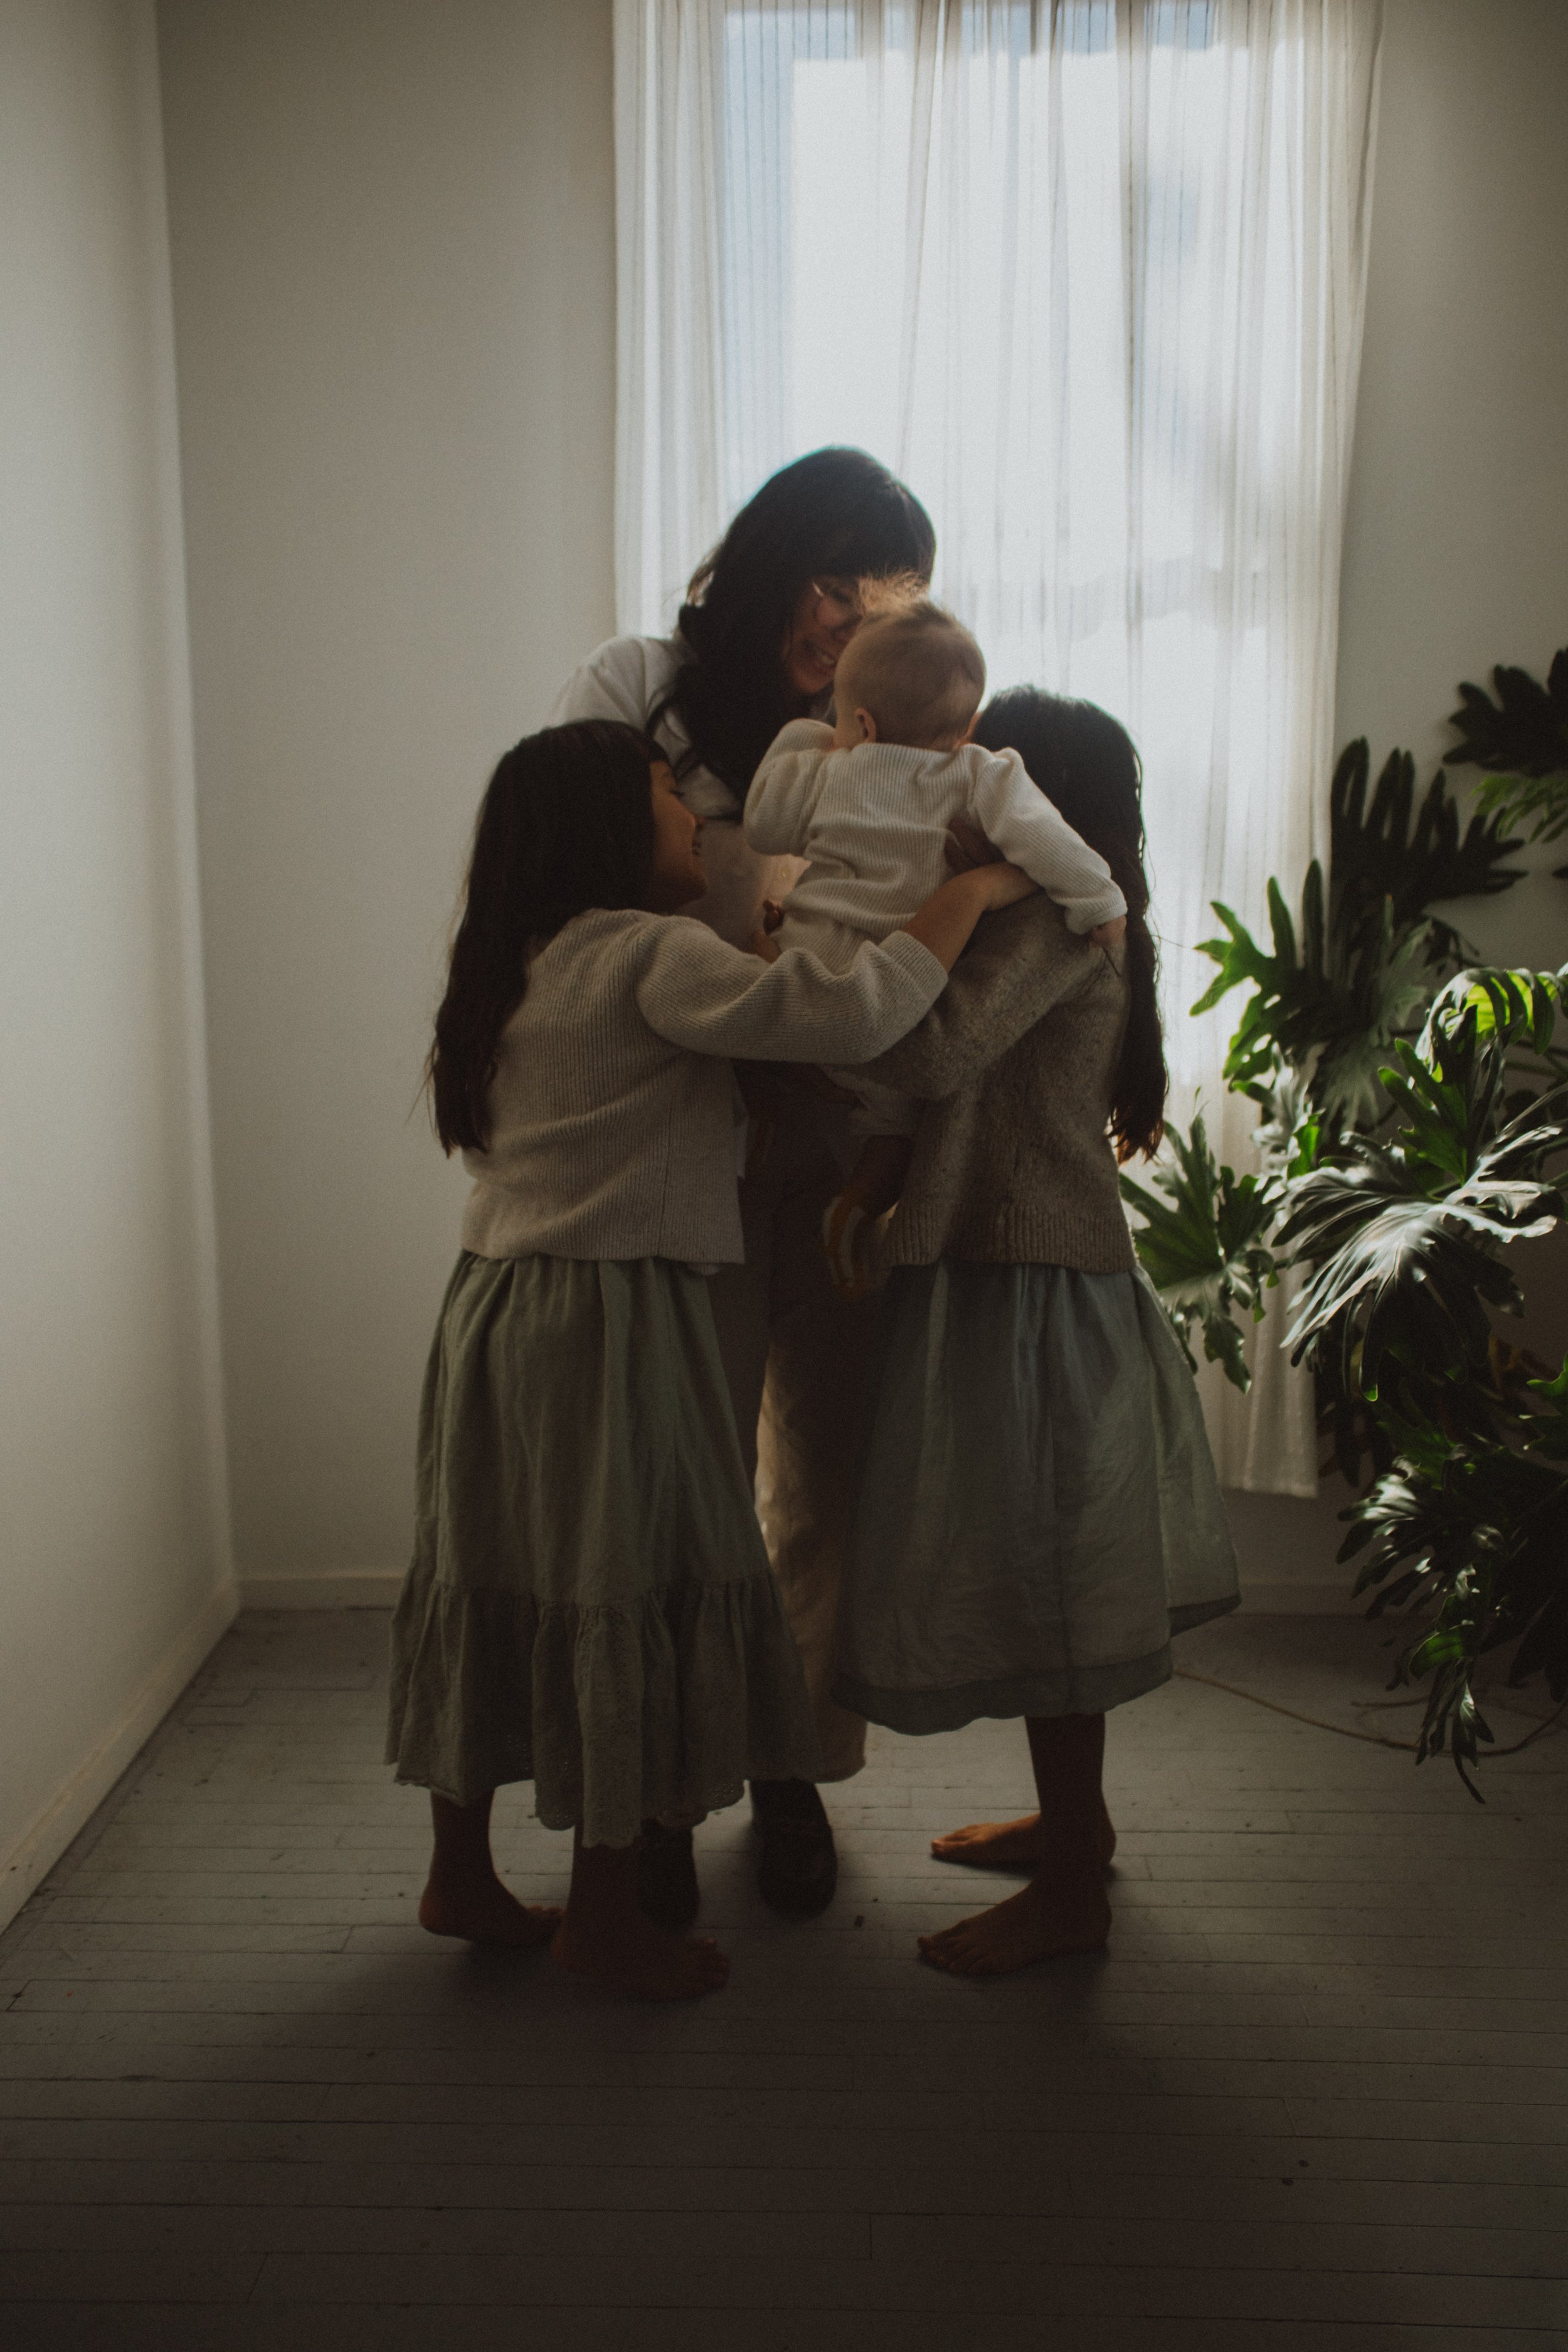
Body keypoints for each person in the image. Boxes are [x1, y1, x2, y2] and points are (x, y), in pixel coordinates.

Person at [385, 718, 1038, 2000]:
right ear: (603, 831)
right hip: (613, 1318)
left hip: (496, 1310)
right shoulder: (650, 954)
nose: (695, 816)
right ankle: (604, 1916)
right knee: (626, 1588)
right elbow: (853, 1012)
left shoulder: (512, 961)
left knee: (495, 1578)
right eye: (664, 794)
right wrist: (971, 890)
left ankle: (459, 1873)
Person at [548, 447, 938, 1923]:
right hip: (673, 1145)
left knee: (821, 1476)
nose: (847, 625)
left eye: (882, 603)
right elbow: (575, 905)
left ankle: (789, 1767)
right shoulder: (634, 688)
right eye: (834, 584)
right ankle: (654, 1791)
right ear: (768, 559)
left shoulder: (878, 729)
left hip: (838, 1154)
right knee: (673, 1483)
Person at [832, 687, 1240, 1976]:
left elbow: (928, 1055)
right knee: (1036, 1567)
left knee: (1049, 1583)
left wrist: (922, 918)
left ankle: (1071, 1890)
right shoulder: (1072, 913)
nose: (955, 795)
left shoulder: (1048, 922)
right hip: (1022, 1274)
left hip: (1027, 1282)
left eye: (977, 775)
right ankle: (1077, 1830)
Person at [745, 600, 1129, 1294]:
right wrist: (1101, 902)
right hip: (896, 964)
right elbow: (1047, 841)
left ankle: (764, 1135)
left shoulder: (830, 770)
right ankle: (858, 1203)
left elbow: (764, 823)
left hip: (810, 949)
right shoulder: (980, 776)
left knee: (769, 1066)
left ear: (861, 723)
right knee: (893, 1123)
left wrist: (807, 735)